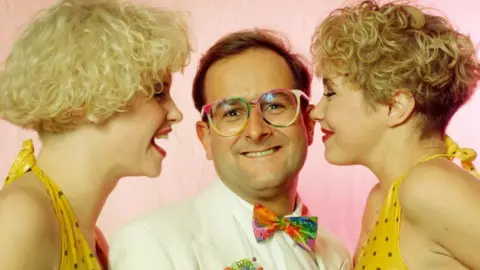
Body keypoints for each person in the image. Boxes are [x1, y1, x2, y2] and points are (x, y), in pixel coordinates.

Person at [109, 29, 352, 270]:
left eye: (275, 105)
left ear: (308, 125)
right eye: (232, 113)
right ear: (206, 138)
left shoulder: (335, 254)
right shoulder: (153, 243)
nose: (256, 131)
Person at [0, 0, 192, 269]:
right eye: (158, 91)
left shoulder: (90, 235)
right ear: (92, 98)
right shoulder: (22, 217)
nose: (176, 113)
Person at [309, 1, 480, 269]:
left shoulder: (429, 187)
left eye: (331, 93)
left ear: (394, 106)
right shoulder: (381, 198)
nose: (315, 112)